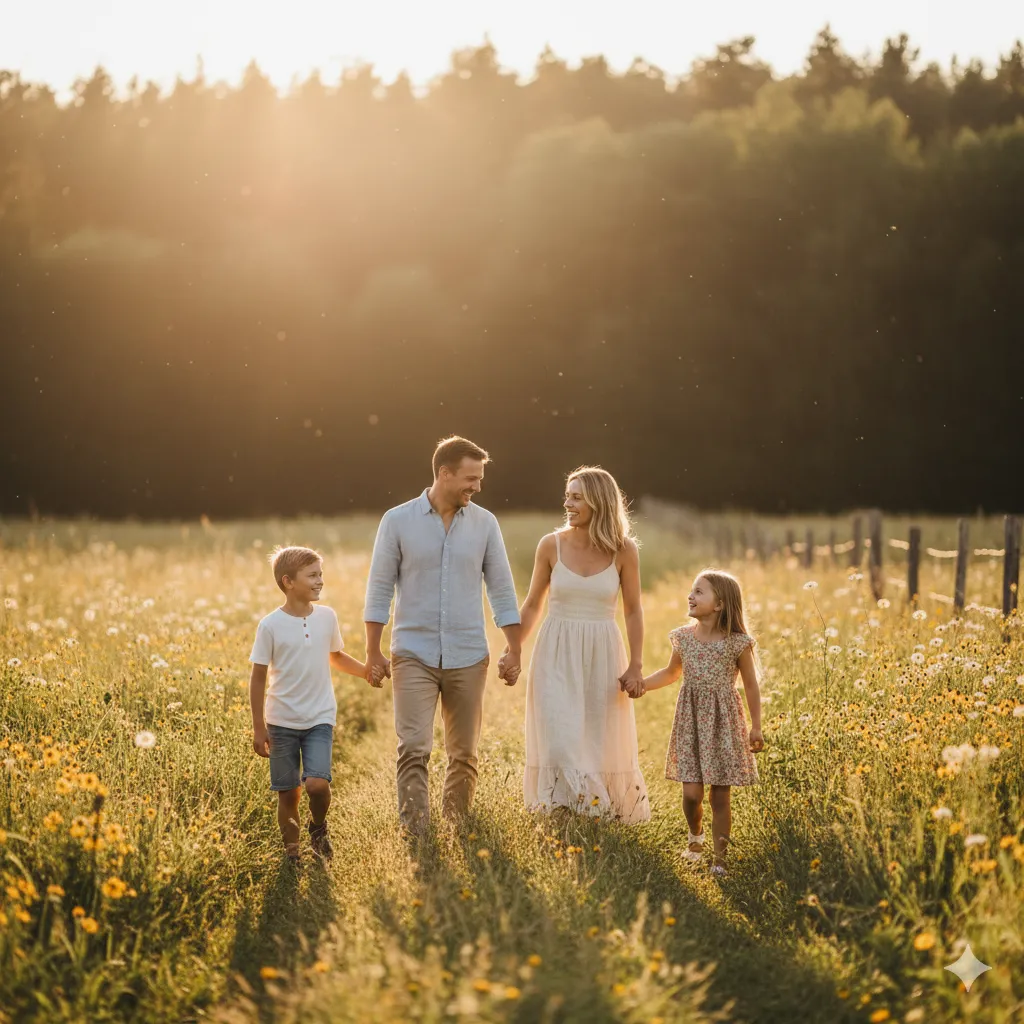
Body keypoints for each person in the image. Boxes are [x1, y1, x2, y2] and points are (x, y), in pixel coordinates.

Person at [363, 436, 522, 836]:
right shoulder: (396, 521)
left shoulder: (485, 524)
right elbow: (379, 590)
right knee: (413, 748)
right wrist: (373, 651)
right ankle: (416, 833)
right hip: (412, 653)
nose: (478, 486)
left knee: (464, 753)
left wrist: (514, 648)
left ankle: (457, 828)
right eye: (471, 478)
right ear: (444, 474)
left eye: (480, 478)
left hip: (468, 653)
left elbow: (501, 589)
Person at [512, 466, 650, 824]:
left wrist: (635, 665)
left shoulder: (624, 550)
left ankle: (593, 816)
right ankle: (567, 810)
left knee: (595, 736)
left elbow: (634, 611)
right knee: (559, 735)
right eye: (567, 495)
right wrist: (514, 649)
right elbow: (531, 605)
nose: (567, 503)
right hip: (556, 651)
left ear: (598, 502)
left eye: (576, 497)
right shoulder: (551, 545)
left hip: (603, 651)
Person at [249, 545, 370, 866]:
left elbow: (336, 656)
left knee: (317, 785)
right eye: (312, 575)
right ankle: (292, 853)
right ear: (288, 582)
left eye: (321, 574)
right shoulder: (270, 625)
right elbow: (258, 677)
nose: (320, 581)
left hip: (319, 717)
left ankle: (318, 827)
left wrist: (367, 672)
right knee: (288, 792)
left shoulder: (327, 617)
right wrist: (259, 726)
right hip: (281, 721)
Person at [637, 568, 763, 875]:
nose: (690, 596)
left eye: (699, 592)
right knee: (691, 794)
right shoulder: (683, 638)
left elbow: (750, 685)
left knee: (720, 795)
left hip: (724, 724)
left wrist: (756, 726)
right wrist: (640, 684)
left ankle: (720, 859)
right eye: (692, 591)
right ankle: (695, 838)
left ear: (719, 604)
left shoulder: (738, 643)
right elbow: (670, 673)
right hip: (691, 722)